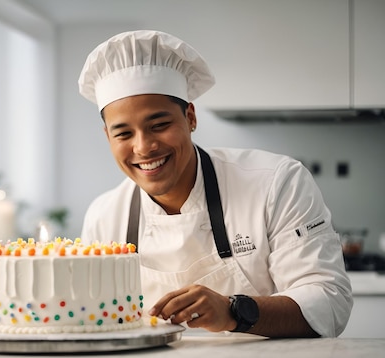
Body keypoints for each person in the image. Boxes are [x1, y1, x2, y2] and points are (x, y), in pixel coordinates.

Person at [78, 30, 353, 338]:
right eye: (124, 134)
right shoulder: (104, 217)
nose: (143, 147)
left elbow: (329, 303)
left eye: (160, 125)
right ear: (107, 138)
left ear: (190, 117)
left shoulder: (276, 182)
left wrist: (234, 311)